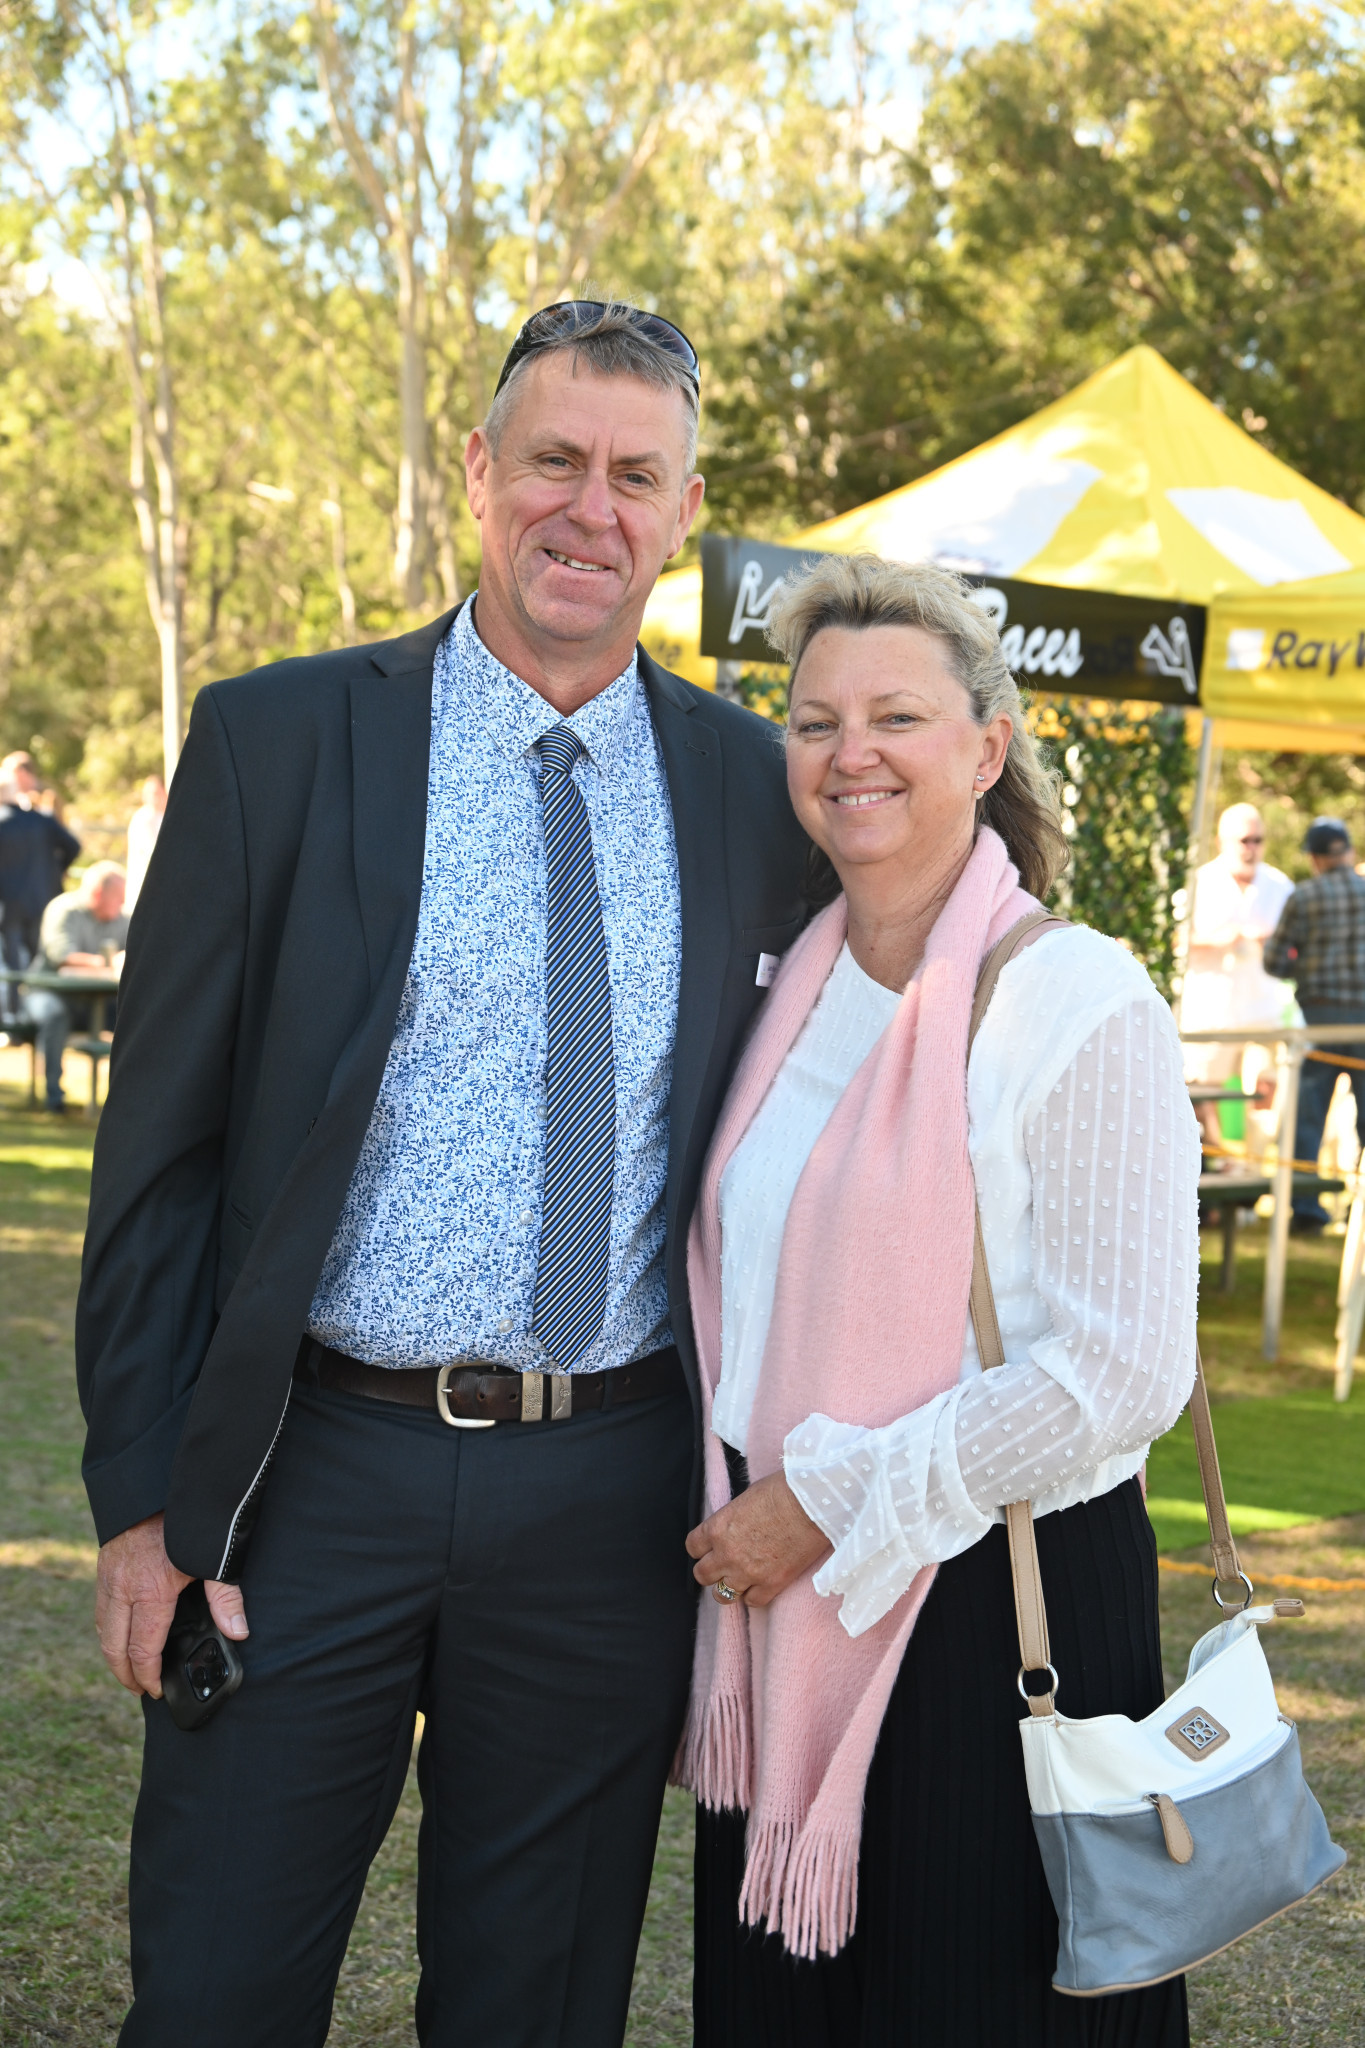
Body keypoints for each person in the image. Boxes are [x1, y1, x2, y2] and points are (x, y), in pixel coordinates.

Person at [76, 301, 812, 2048]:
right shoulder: (279, 740)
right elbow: (159, 1156)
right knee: (219, 1981)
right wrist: (137, 1502)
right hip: (317, 1469)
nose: (591, 508)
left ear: (684, 507)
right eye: (554, 459)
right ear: (476, 471)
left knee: (537, 2001)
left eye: (636, 475)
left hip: (611, 1493)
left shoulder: (747, 782)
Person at [679, 555, 1200, 2048]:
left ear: (985, 746)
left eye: (895, 714)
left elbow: (1118, 1371)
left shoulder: (1079, 997)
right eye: (813, 719)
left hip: (998, 1601)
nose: (851, 752)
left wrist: (830, 1501)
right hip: (789, 1602)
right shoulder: (790, 984)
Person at [1264, 815, 1365, 1231]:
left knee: (1308, 1117)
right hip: (1364, 1023)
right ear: (1347, 852)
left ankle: (1306, 1208)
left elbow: (1273, 959)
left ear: (1315, 858)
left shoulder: (1304, 897)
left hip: (1320, 1018)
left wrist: (1299, 965)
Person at [1180, 802, 1293, 1159]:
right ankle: (1218, 1169)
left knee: (1264, 1094)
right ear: (1222, 841)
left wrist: (1272, 943)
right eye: (1244, 840)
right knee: (1201, 1098)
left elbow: (1298, 949)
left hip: (1263, 1010)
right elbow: (1175, 941)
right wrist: (1219, 939)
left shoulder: (1281, 886)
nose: (1251, 848)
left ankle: (1254, 1171)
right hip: (1211, 1011)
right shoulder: (1199, 882)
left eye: (1258, 840)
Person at [24, 861, 128, 1111]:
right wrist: (108, 962)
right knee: (54, 1016)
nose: (122, 905)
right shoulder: (65, 909)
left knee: (135, 1017)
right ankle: (54, 1096)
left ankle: (126, 1099)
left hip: (100, 998)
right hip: (50, 992)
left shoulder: (124, 920)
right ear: (97, 893)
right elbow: (62, 954)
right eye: (118, 899)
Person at [0, 753, 81, 1027]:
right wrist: (54, 870)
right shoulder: (41, 821)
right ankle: (39, 1016)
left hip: (11, 903)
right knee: (37, 964)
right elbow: (73, 846)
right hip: (40, 900)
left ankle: (17, 1019)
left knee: (15, 965)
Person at [123, 773, 167, 911]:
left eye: (156, 793)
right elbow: (153, 851)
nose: (154, 797)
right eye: (150, 793)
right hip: (145, 881)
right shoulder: (144, 818)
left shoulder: (162, 816)